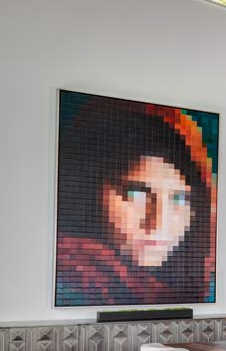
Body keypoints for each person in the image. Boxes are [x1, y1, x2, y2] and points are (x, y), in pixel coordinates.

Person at [55, 92, 217, 306]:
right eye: (136, 194)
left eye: (180, 199)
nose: (158, 223)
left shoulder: (195, 286)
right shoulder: (69, 284)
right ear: (88, 192)